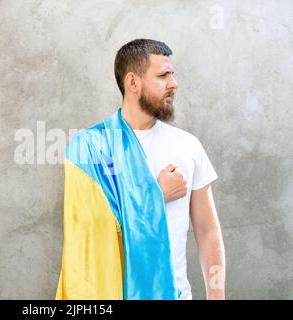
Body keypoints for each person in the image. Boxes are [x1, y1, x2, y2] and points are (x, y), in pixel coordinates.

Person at [56, 39, 225, 300]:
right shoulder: (89, 147)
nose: (174, 83)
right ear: (133, 83)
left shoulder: (188, 146)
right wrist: (155, 194)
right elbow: (88, 233)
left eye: (173, 74)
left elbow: (207, 230)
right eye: (163, 75)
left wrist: (217, 296)